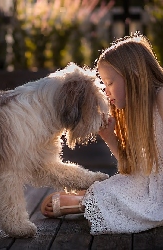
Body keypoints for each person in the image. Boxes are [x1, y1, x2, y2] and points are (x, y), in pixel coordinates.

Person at [40, 32, 163, 235]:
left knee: (131, 195)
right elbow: (135, 168)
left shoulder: (160, 97)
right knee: (121, 185)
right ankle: (90, 199)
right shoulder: (138, 112)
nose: (106, 91)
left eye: (110, 82)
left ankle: (84, 203)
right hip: (151, 184)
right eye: (104, 84)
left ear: (134, 75)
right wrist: (109, 136)